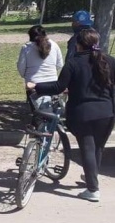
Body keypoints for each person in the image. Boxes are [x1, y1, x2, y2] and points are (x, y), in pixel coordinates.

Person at [27, 28, 115, 202]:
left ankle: (92, 189)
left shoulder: (74, 63)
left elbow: (58, 87)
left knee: (88, 149)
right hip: (107, 112)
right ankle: (92, 177)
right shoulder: (110, 60)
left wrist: (36, 86)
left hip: (83, 113)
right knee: (97, 148)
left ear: (79, 45)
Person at [17, 25, 63, 111]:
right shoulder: (54, 45)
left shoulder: (26, 48)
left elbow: (21, 67)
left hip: (33, 84)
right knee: (52, 111)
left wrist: (26, 76)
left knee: (37, 113)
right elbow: (59, 64)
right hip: (52, 83)